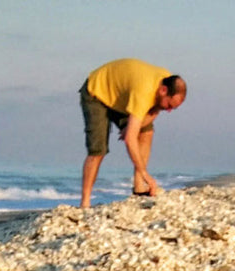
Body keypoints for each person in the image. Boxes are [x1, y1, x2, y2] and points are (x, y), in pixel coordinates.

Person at [79, 58, 187, 208]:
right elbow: (130, 140)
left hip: (121, 98)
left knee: (146, 132)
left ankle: (138, 187)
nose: (169, 110)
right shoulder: (144, 91)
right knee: (98, 150)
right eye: (169, 105)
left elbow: (155, 109)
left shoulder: (166, 80)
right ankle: (85, 202)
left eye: (172, 108)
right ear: (163, 91)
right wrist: (146, 174)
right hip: (96, 93)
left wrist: (132, 127)